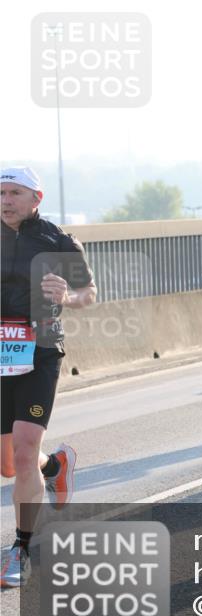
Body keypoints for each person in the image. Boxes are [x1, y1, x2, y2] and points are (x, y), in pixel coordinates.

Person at [1, 166, 97, 588]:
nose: (6, 200)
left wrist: (69, 296)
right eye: (1, 193)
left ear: (36, 198)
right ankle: (55, 465)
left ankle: (21, 548)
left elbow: (90, 294)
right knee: (10, 463)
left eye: (15, 193)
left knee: (23, 452)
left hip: (40, 351)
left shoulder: (57, 241)